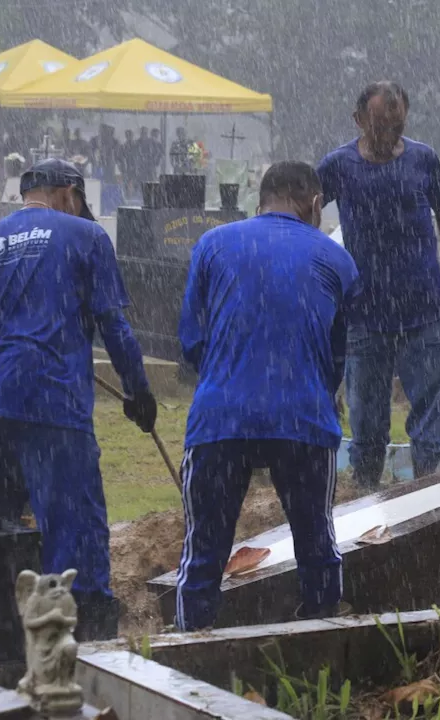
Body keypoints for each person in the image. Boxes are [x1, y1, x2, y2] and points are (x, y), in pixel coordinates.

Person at [0, 158, 157, 640]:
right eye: (79, 204)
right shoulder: (86, 238)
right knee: (74, 522)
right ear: (67, 193)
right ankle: (82, 636)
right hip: (51, 397)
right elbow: (115, 327)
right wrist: (138, 393)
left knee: (0, 518)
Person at [175, 161, 359, 629]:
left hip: (222, 417)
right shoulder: (336, 259)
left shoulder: (212, 245)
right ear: (316, 204)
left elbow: (191, 341)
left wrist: (231, 377)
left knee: (202, 555)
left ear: (261, 199)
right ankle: (319, 650)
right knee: (317, 545)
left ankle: (188, 658)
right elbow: (337, 356)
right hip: (302, 418)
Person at [316, 81, 440, 487]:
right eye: (380, 127)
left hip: (423, 311)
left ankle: (425, 495)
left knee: (428, 418)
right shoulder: (339, 166)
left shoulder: (424, 160)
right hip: (365, 315)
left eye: (397, 127)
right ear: (358, 120)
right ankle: (366, 495)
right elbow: (307, 214)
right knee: (367, 424)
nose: (390, 136)